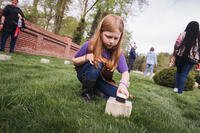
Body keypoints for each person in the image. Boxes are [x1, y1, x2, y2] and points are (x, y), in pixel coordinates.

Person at [72, 14, 130, 101]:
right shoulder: (90, 45)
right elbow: (74, 61)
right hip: (85, 74)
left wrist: (123, 84)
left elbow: (125, 72)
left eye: (116, 38)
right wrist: (86, 57)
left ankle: (95, 90)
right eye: (108, 36)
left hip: (101, 79)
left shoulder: (118, 52)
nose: (111, 41)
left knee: (116, 94)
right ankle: (87, 94)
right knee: (97, 63)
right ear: (101, 32)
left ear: (120, 37)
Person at [173, 21, 200, 94]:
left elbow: (177, 44)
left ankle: (175, 88)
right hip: (192, 59)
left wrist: (176, 50)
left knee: (178, 71)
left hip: (181, 56)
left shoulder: (184, 33)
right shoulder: (198, 37)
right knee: (184, 74)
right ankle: (180, 91)